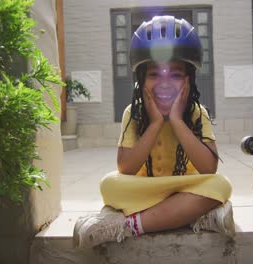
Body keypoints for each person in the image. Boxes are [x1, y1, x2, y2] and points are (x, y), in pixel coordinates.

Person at [73, 15, 234, 249]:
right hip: (147, 190)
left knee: (221, 185)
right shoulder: (133, 113)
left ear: (189, 80)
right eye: (154, 74)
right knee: (109, 185)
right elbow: (125, 168)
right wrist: (156, 124)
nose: (165, 83)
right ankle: (194, 214)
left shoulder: (197, 113)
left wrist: (178, 121)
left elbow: (209, 168)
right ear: (141, 79)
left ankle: (127, 225)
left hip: (184, 187)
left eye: (176, 74)